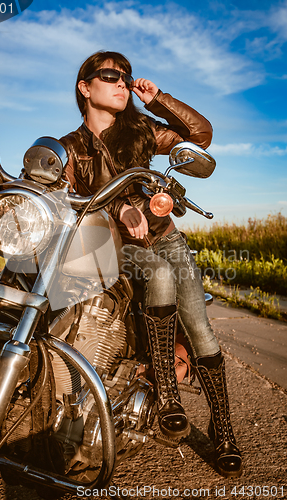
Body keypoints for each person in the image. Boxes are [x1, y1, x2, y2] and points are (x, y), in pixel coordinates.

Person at [59, 51, 242, 478]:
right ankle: (167, 393)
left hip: (166, 236)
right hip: (111, 246)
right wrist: (117, 209)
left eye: (125, 76)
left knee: (200, 326)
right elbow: (55, 197)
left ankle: (225, 429)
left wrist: (158, 98)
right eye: (110, 76)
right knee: (156, 277)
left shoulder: (141, 130)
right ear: (85, 87)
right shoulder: (69, 147)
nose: (122, 82)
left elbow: (200, 136)